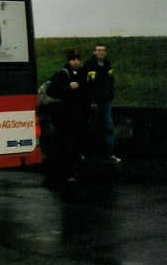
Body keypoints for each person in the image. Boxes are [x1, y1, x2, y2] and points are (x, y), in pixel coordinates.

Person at [44, 49, 88, 186]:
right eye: (73, 59)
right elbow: (51, 91)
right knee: (64, 143)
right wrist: (68, 87)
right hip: (63, 117)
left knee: (74, 144)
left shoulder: (82, 74)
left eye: (77, 59)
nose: (75, 61)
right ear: (69, 61)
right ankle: (64, 173)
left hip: (77, 116)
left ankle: (70, 171)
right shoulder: (61, 74)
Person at [85, 44, 119, 163]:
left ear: (105, 53)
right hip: (94, 103)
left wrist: (110, 96)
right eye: (98, 50)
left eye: (102, 50)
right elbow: (87, 85)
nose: (100, 52)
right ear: (94, 52)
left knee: (109, 127)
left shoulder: (108, 65)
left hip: (106, 102)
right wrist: (91, 100)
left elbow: (111, 83)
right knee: (92, 128)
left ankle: (109, 154)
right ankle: (88, 154)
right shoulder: (89, 65)